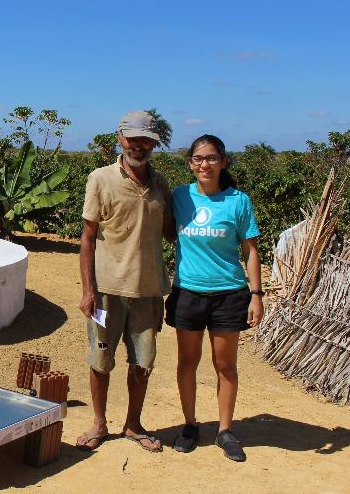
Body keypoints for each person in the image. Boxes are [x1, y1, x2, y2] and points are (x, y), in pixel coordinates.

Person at [76, 111, 174, 453]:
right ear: (120, 137)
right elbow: (87, 239)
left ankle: (133, 425)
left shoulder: (161, 185)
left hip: (147, 294)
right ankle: (99, 423)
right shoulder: (100, 179)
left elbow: (174, 233)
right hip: (105, 294)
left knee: (143, 363)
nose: (139, 145)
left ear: (154, 144)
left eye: (147, 140)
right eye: (133, 138)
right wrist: (88, 291)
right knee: (101, 358)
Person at [166, 134, 264, 462]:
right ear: (190, 163)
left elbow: (251, 251)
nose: (204, 164)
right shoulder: (180, 196)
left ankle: (224, 430)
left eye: (210, 158)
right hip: (188, 292)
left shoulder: (239, 201)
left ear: (223, 161)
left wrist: (256, 294)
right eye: (198, 159)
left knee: (225, 364)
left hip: (228, 294)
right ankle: (190, 425)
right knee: (187, 362)